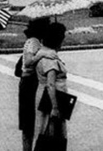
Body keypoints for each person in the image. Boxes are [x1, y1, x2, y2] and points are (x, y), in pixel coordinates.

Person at [34, 22, 69, 150]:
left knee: (46, 130)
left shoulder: (44, 53)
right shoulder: (50, 59)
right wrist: (54, 107)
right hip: (51, 100)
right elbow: (50, 84)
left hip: (46, 97)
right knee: (52, 134)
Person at [19, 18, 49, 151]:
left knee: (29, 122)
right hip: (30, 83)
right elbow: (28, 62)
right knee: (29, 121)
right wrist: (42, 53)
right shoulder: (34, 42)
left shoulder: (33, 41)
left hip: (28, 82)